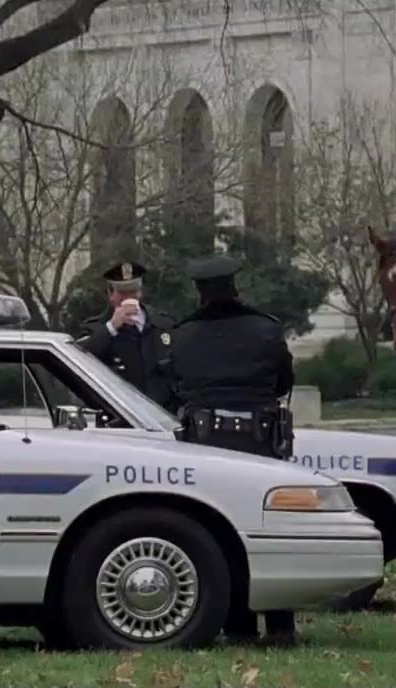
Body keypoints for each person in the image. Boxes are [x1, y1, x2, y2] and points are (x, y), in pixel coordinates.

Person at [165, 253, 297, 646]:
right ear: (235, 289)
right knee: (272, 531)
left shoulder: (183, 335)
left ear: (200, 293)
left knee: (220, 533)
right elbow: (284, 382)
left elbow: (175, 387)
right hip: (260, 442)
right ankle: (280, 625)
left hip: (206, 446)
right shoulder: (267, 329)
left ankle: (238, 625)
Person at [77, 260, 178, 412]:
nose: (128, 297)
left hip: (162, 414)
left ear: (140, 292)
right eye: (122, 293)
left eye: (133, 292)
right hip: (120, 416)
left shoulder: (163, 325)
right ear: (111, 294)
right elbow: (81, 358)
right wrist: (111, 327)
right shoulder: (96, 329)